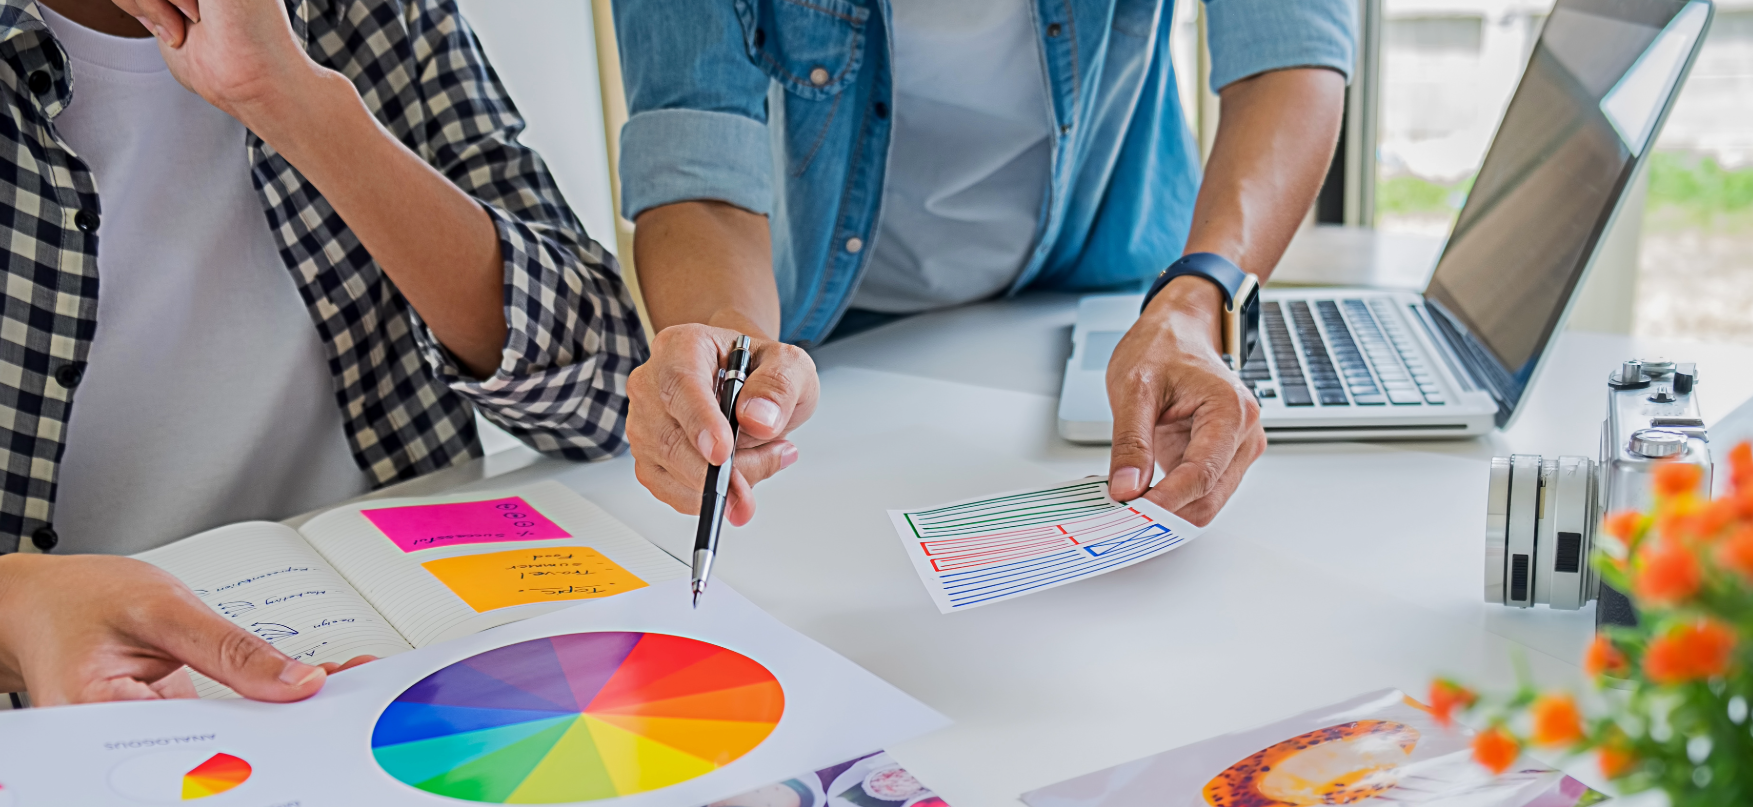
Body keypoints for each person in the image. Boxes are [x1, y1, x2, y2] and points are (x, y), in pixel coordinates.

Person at [0, 0, 644, 705]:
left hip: (390, 657)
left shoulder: (375, 12)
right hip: (83, 711)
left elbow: (608, 394)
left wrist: (292, 100)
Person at [614, 0, 1351, 529]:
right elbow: (696, 161)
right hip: (829, 338)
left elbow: (1287, 51)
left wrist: (1199, 303)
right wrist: (732, 344)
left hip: (1114, 285)